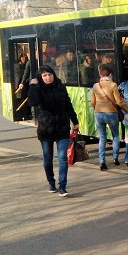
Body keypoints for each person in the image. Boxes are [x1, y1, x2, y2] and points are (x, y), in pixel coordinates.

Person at [28, 65, 79, 197]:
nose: (48, 77)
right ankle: (51, 182)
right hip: (46, 128)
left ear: (53, 75)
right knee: (48, 158)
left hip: (62, 126)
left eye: (49, 74)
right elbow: (32, 102)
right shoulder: (38, 89)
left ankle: (62, 186)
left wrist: (75, 121)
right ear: (40, 77)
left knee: (62, 157)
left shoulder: (60, 86)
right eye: (44, 75)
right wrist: (33, 85)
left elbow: (68, 104)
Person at [91, 65, 128, 170]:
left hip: (98, 113)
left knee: (102, 138)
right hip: (111, 113)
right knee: (116, 136)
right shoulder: (113, 85)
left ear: (101, 75)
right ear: (110, 75)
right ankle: (115, 158)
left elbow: (92, 102)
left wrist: (98, 109)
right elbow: (119, 102)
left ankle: (102, 162)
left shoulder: (95, 86)